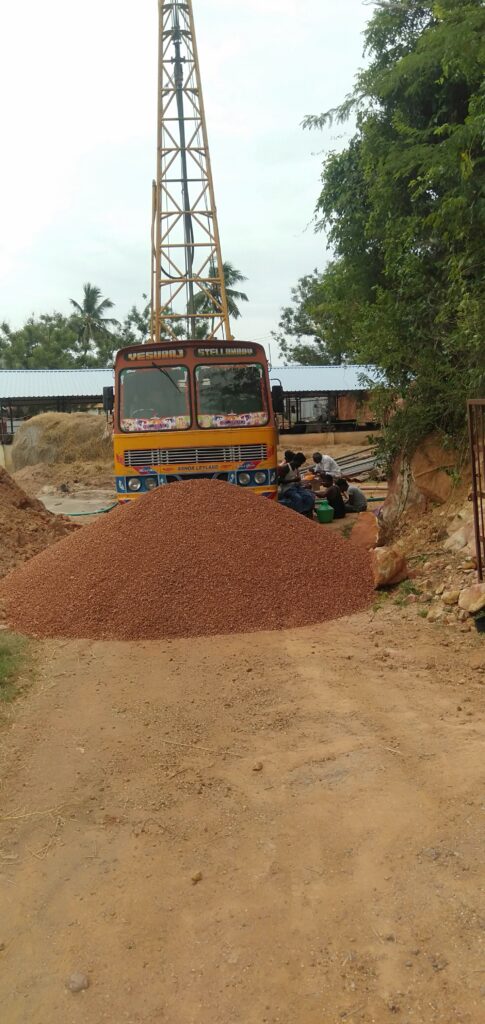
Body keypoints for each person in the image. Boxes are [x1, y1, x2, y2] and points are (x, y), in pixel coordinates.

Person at [278, 453, 315, 518]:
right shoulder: (286, 468)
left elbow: (297, 481)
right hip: (287, 489)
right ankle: (299, 516)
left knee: (309, 496)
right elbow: (279, 481)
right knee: (298, 498)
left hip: (295, 487)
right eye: (300, 463)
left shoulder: (296, 468)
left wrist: (299, 482)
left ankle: (304, 511)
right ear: (296, 461)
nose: (300, 465)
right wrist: (293, 480)